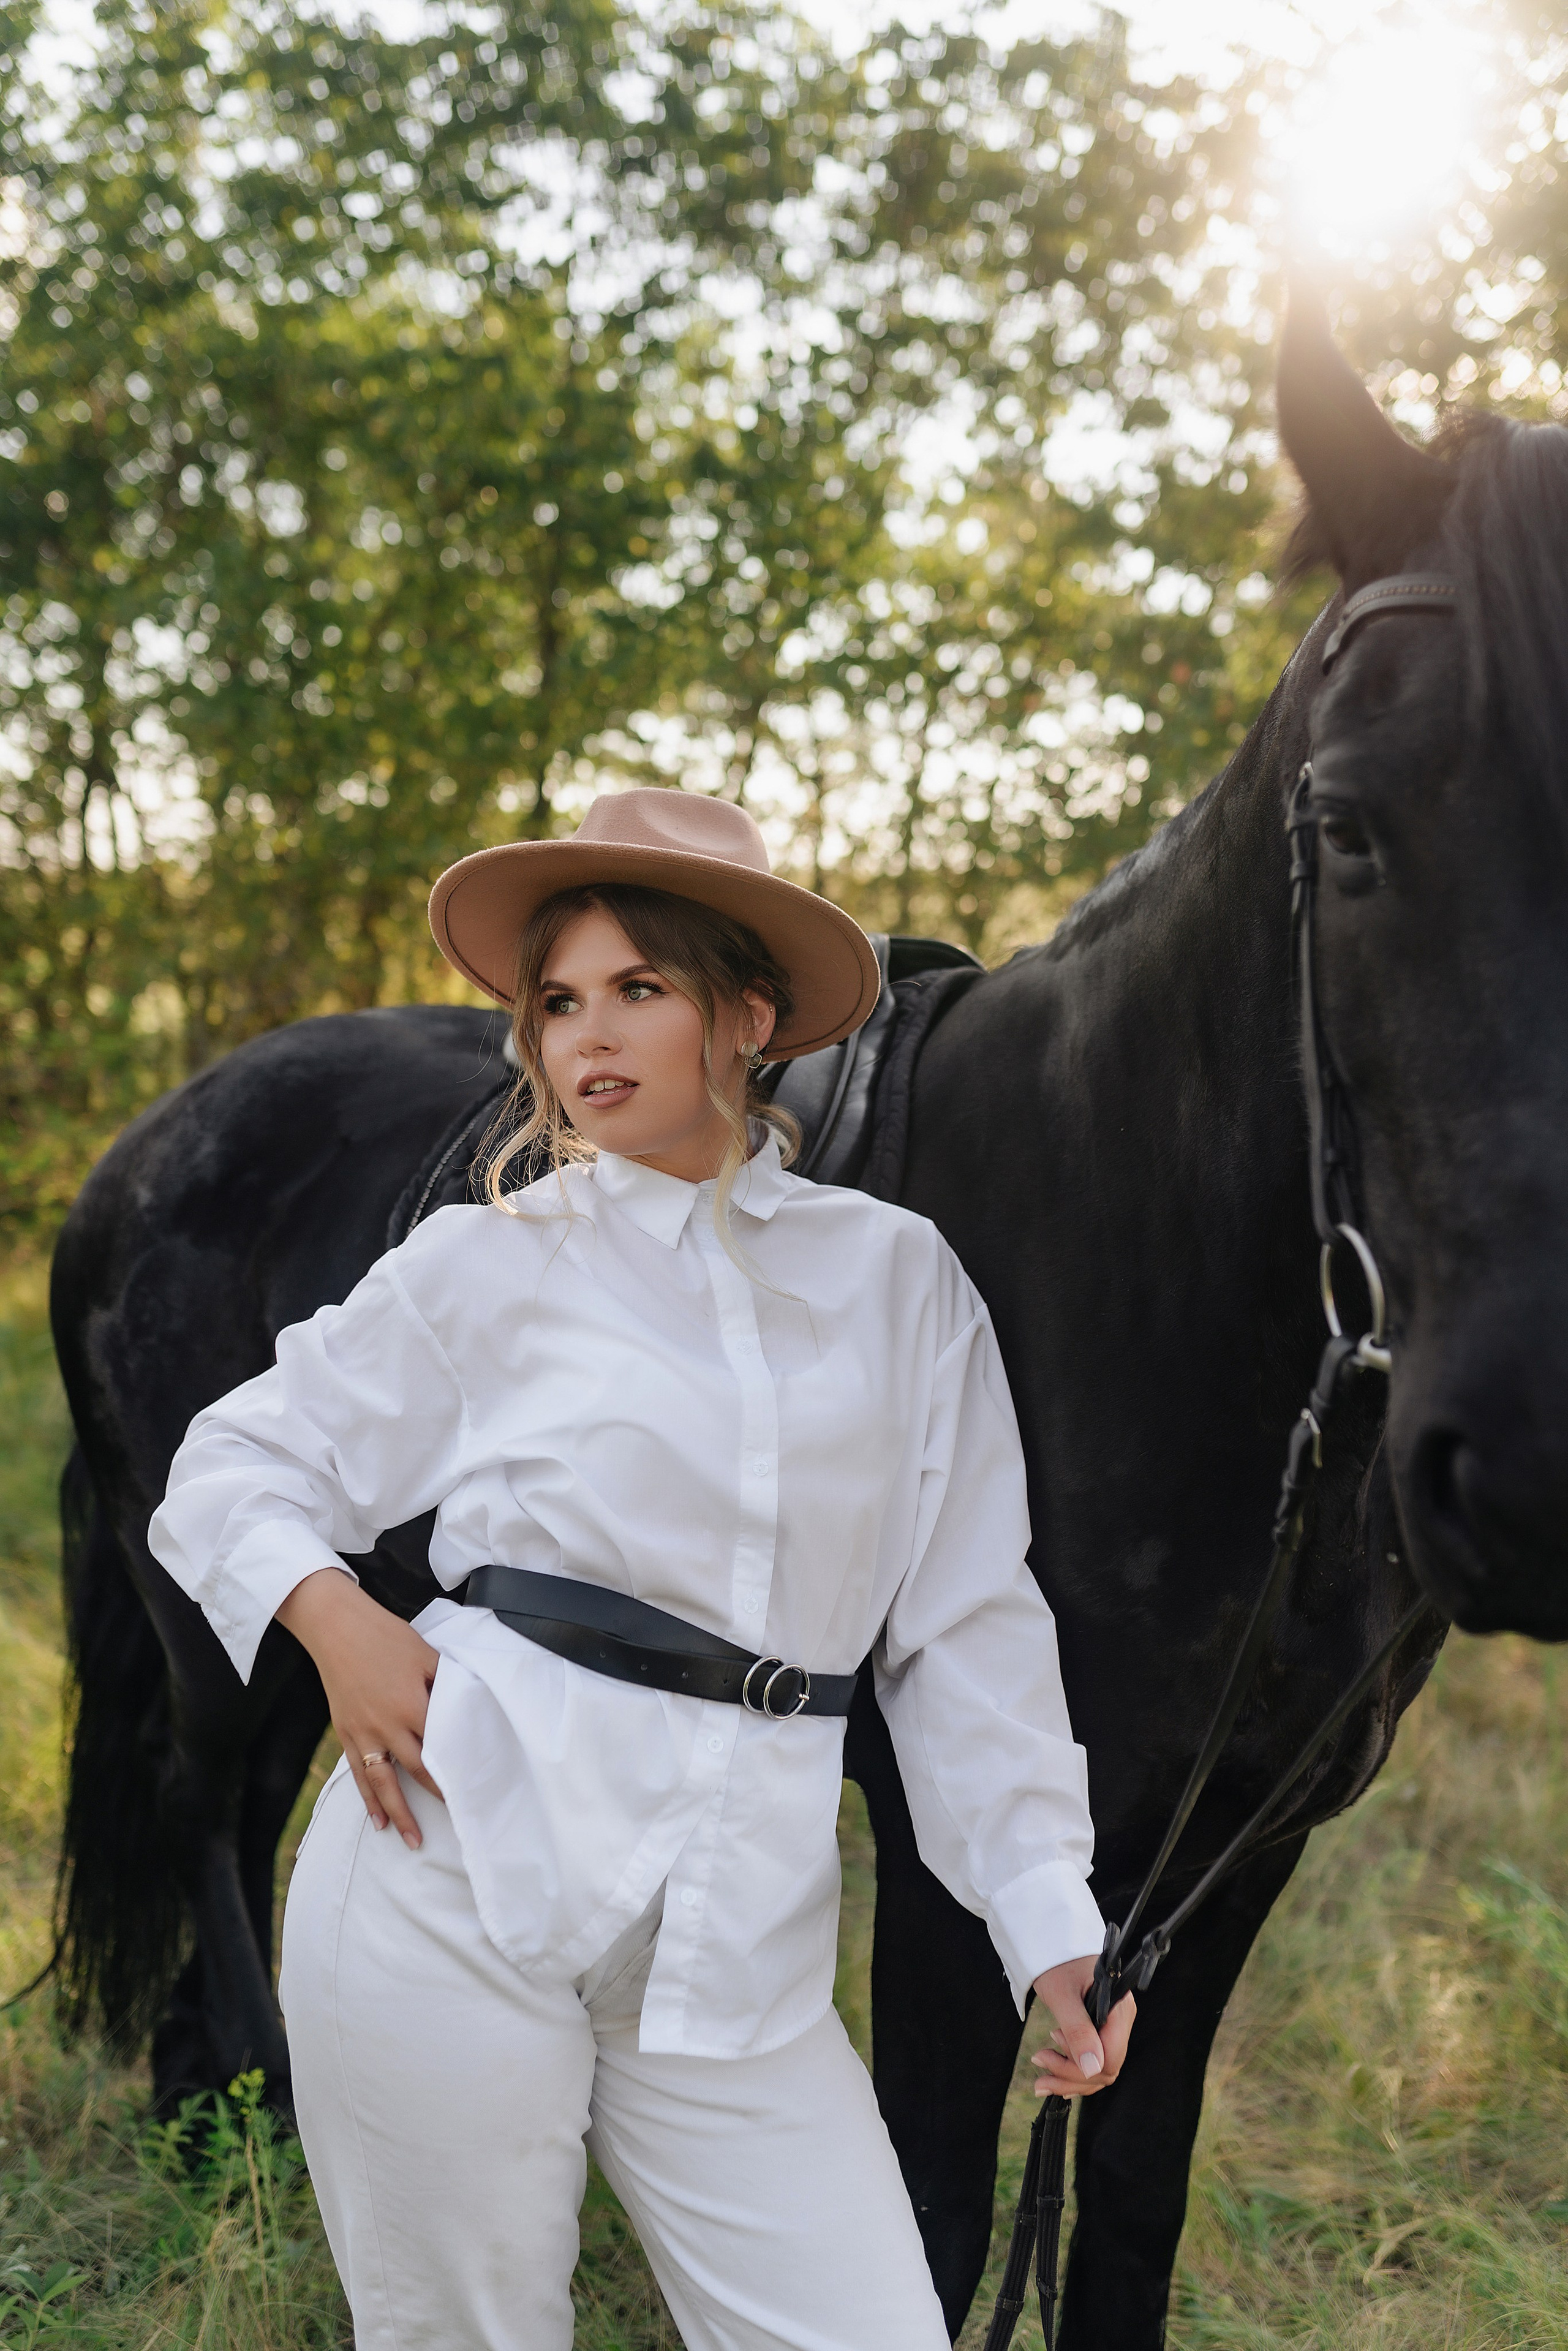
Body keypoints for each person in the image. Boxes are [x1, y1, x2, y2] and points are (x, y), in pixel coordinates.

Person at [149, 786, 1134, 2351]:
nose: (587, 1036)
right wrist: (338, 1620)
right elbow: (230, 1465)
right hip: (458, 1868)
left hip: (741, 1946)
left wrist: (1046, 1916)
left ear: (748, 1015)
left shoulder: (897, 1279)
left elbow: (963, 1629)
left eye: (639, 987)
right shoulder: (492, 1259)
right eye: (556, 1001)